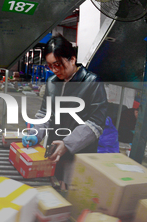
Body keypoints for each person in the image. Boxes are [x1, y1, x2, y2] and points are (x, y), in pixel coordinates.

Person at [22, 35, 108, 187]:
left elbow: (96, 123)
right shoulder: (52, 83)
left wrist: (68, 144)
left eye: (58, 64)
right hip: (54, 148)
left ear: (72, 59)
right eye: (50, 66)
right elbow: (44, 114)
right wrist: (35, 133)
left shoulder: (92, 82)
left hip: (80, 152)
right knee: (53, 186)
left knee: (73, 190)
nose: (55, 70)